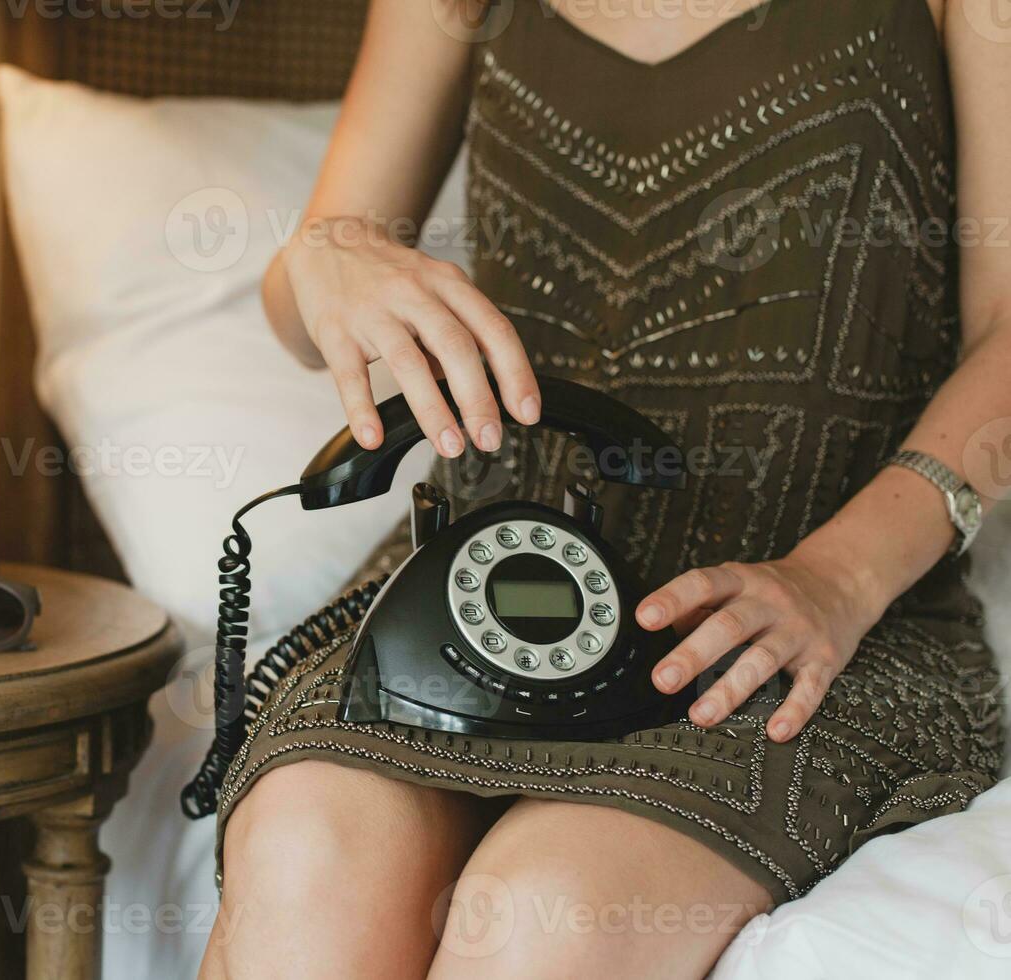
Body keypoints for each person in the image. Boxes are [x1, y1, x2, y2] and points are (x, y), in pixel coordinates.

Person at [199, 0, 1010, 977]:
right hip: (483, 563)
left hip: (806, 600)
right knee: (307, 854)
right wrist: (327, 255)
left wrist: (838, 577)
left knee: (546, 908)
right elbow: (303, 308)